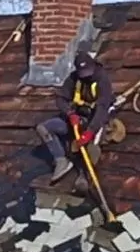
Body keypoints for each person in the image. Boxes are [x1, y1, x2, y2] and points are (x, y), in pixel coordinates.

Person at [35, 51, 115, 183]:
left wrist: (90, 131)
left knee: (92, 148)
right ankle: (61, 161)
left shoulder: (102, 79)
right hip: (78, 118)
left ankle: (85, 176)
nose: (86, 77)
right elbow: (60, 99)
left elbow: (102, 109)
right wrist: (70, 113)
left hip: (96, 119)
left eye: (88, 72)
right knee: (43, 128)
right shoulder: (73, 78)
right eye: (83, 73)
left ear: (93, 66)